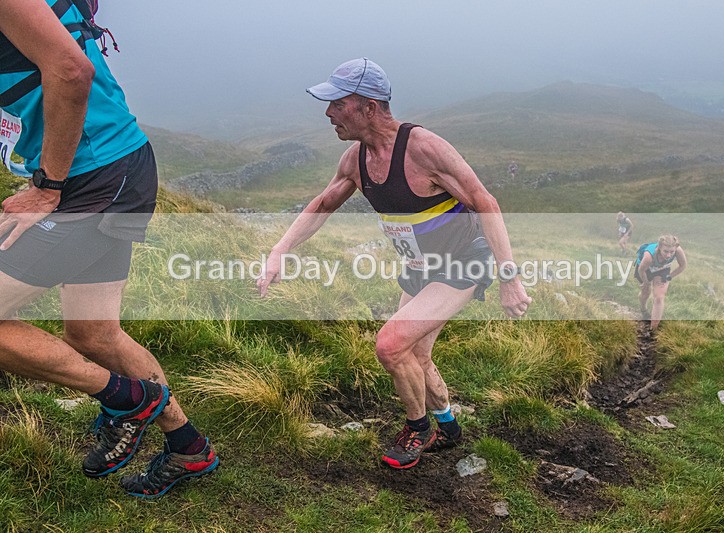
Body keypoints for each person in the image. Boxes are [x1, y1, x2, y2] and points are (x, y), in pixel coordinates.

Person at [258, 58, 531, 469]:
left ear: (369, 107)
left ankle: (418, 428)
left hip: (462, 263)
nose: (328, 112)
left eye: (337, 102)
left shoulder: (424, 149)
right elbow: (323, 203)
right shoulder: (355, 159)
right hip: (419, 268)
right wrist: (280, 250)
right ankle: (448, 427)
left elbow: (485, 202)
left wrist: (509, 277)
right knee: (416, 354)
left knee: (389, 344)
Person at [0, 0, 217, 498]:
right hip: (113, 166)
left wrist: (48, 186)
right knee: (94, 334)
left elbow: (72, 70)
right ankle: (189, 448)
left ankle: (128, 399)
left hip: (90, 177)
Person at [634, 235, 687, 330]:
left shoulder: (678, 250)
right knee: (646, 292)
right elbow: (641, 270)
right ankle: (643, 309)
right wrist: (646, 283)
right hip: (645, 271)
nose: (669, 255)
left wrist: (669, 276)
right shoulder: (649, 256)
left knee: (659, 297)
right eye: (665, 251)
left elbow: (682, 265)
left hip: (662, 269)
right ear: (659, 248)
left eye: (672, 252)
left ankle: (653, 329)